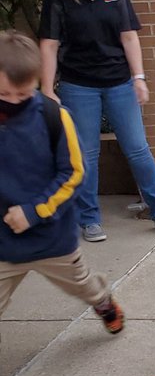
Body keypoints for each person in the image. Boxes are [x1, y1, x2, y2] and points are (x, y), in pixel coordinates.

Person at [38, 0, 155, 243]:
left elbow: (129, 37)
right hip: (78, 85)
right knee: (86, 154)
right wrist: (47, 88)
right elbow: (49, 45)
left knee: (137, 148)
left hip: (120, 83)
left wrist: (139, 78)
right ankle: (89, 219)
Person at [0, 31, 124, 335]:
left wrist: (33, 212)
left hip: (49, 236)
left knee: (83, 284)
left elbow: (72, 174)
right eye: (4, 95)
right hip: (3, 240)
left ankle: (104, 302)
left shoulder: (54, 117)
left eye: (24, 94)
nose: (14, 102)